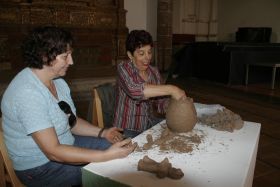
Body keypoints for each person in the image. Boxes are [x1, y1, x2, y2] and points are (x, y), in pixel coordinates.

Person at [0, 26, 136, 187]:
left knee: (126, 145)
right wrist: (105, 156)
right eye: (65, 56)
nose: (71, 61)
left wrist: (103, 132)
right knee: (109, 172)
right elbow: (53, 152)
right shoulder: (27, 93)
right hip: (39, 168)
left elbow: (71, 121)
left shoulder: (58, 82)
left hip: (66, 144)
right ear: (45, 56)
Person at [113, 30, 187, 138]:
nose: (147, 57)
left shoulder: (154, 72)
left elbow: (160, 102)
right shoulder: (123, 68)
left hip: (148, 123)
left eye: (149, 52)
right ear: (130, 55)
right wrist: (172, 89)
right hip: (126, 127)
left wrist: (177, 106)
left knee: (176, 136)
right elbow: (135, 90)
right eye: (141, 53)